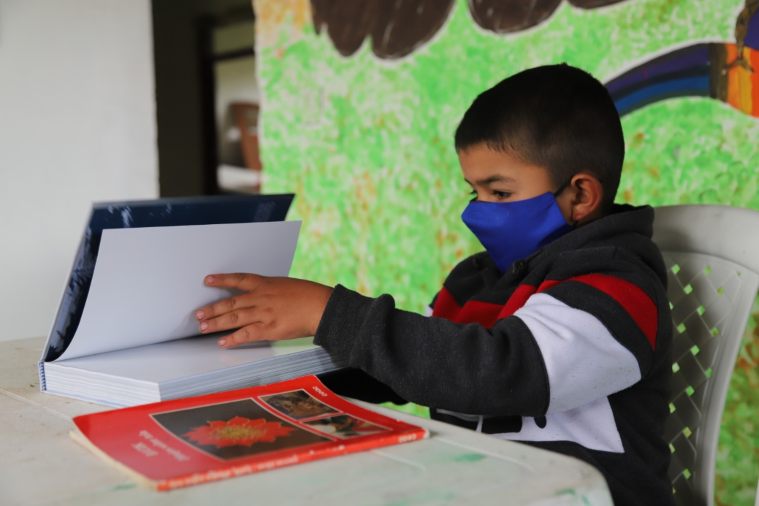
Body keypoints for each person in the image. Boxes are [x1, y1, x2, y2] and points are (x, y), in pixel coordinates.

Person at [194, 63, 673, 505]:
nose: (476, 210)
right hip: (483, 485)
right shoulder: (475, 280)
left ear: (581, 194)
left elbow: (503, 372)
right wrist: (285, 382)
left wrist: (330, 313)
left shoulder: (618, 285)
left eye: (499, 192)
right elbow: (415, 364)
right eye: (474, 191)